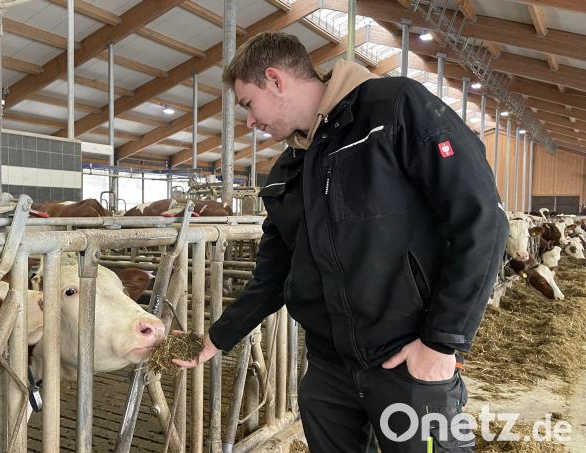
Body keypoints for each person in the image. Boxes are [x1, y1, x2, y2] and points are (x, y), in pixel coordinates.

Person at [174, 32, 508, 452]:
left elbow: (482, 219)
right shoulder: (287, 169)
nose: (250, 122)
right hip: (329, 373)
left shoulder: (394, 108)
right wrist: (216, 339)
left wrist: (442, 343)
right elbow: (274, 275)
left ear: (276, 80)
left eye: (247, 104)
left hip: (405, 362)